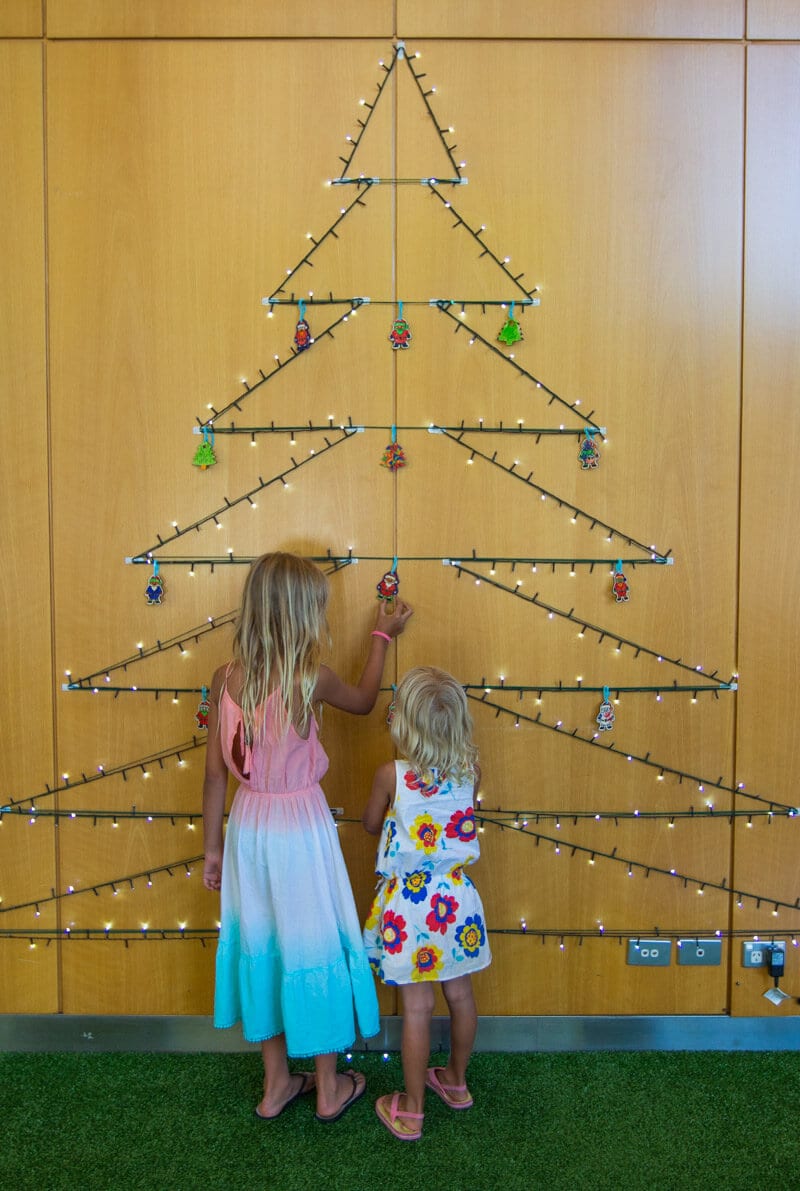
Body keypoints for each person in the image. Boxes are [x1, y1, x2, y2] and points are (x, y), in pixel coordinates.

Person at [202, 552, 413, 1122]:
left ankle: (276, 1085)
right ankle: (327, 1086)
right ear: (301, 616)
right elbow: (367, 702)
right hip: (300, 829)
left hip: (248, 829)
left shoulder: (225, 679)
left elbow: (216, 773)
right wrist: (380, 635)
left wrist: (213, 848)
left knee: (262, 946)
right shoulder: (309, 679)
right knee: (311, 944)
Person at [362, 667, 491, 1141]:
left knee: (417, 1007)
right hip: (456, 901)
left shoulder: (390, 775)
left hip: (412, 906)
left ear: (404, 725)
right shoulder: (471, 772)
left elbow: (371, 824)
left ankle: (412, 1109)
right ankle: (456, 1082)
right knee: (460, 994)